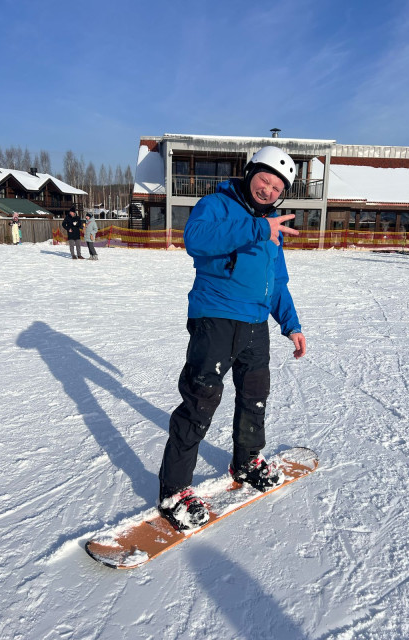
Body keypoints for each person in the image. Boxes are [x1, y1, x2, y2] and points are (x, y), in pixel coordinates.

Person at [158, 146, 306, 531]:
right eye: (264, 180)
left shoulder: (272, 225)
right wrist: (258, 228)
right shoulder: (217, 205)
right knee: (200, 401)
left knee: (255, 396)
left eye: (277, 188)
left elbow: (277, 282)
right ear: (250, 172)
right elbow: (196, 238)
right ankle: (174, 491)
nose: (268, 190)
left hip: (256, 324)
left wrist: (291, 325)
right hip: (216, 317)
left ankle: (246, 461)